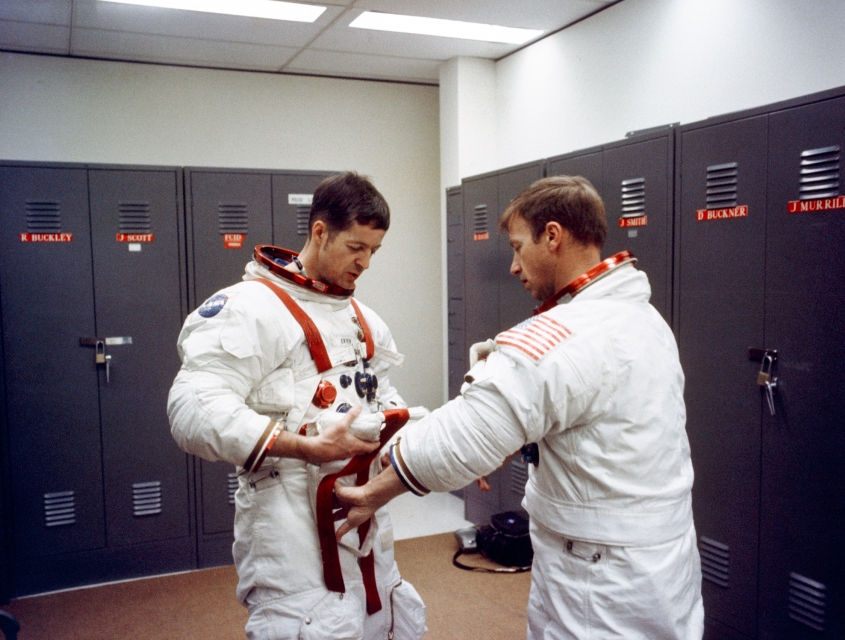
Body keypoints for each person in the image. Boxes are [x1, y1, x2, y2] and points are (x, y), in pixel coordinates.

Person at [336, 176, 704, 639]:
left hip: (600, 574)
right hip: (658, 559)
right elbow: (579, 414)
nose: (513, 266)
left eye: (517, 247)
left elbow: (457, 442)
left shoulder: (565, 335)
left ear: (552, 236)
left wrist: (381, 476)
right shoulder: (642, 318)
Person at [167, 172, 427, 640]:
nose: (365, 263)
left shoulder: (365, 322)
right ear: (320, 231)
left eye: (374, 251)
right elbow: (191, 411)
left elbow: (384, 401)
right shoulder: (248, 308)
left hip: (362, 516)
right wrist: (305, 447)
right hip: (287, 527)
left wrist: (419, 451)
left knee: (379, 619)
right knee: (311, 625)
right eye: (355, 247)